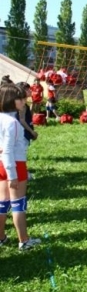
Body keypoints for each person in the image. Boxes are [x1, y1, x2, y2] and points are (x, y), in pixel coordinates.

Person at [0, 83, 41, 250]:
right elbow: (8, 150)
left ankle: (1, 237)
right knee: (18, 204)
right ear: (11, 100)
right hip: (14, 165)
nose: (24, 100)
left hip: (2, 164)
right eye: (20, 98)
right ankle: (24, 240)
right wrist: (13, 175)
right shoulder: (12, 122)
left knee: (2, 203)